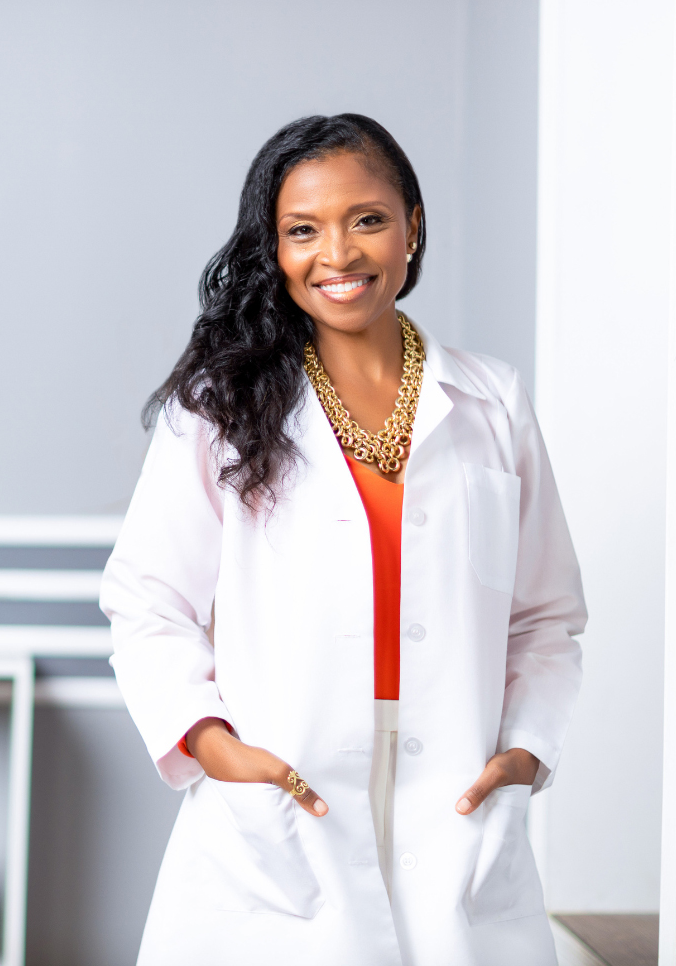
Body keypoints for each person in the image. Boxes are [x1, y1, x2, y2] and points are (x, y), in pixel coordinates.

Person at [99, 113, 585, 966]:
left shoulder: (492, 402)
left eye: (366, 219)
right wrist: (219, 751)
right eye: (302, 230)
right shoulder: (220, 408)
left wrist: (524, 752)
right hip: (289, 793)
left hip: (460, 801)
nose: (339, 253)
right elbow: (147, 601)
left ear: (412, 226)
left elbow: (547, 615)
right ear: (274, 248)